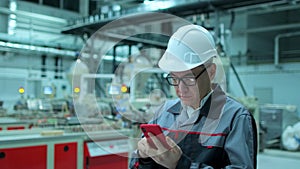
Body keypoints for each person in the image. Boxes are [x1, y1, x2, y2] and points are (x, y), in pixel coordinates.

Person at [129, 24, 257, 169]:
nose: (181, 89)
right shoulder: (164, 113)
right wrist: (145, 159)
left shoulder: (235, 118)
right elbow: (134, 164)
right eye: (175, 79)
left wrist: (182, 165)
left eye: (189, 79)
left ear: (211, 72)